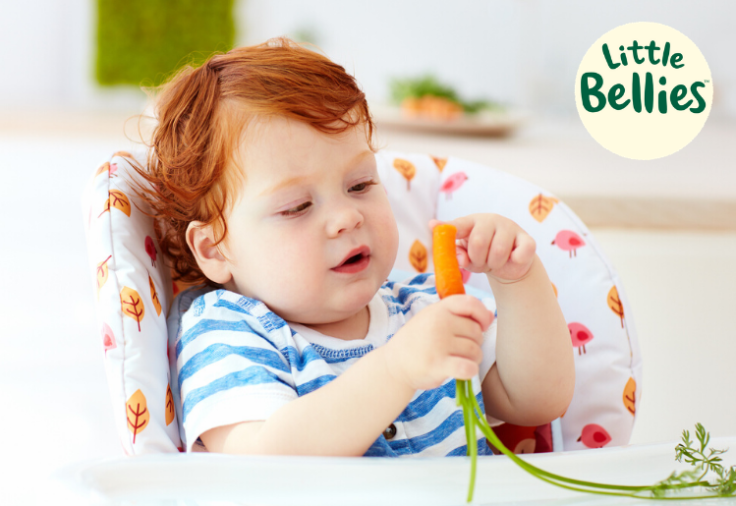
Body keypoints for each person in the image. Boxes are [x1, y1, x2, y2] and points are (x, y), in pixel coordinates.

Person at [130, 36, 575, 457]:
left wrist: (516, 280)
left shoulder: (426, 307)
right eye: (298, 206)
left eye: (360, 184)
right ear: (215, 249)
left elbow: (537, 400)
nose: (347, 217)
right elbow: (265, 457)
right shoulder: (226, 331)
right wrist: (396, 371)